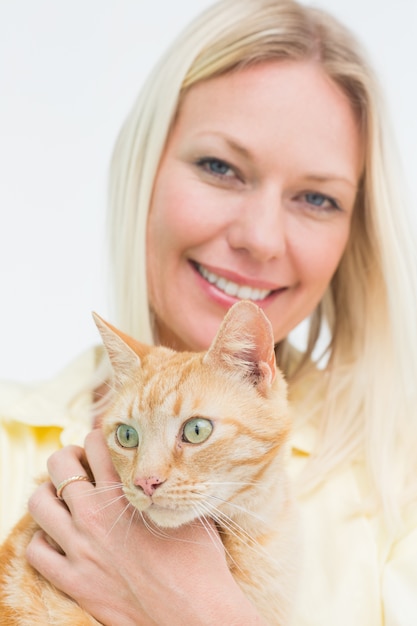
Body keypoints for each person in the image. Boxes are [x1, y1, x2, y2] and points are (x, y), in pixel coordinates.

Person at [1, 0, 417, 623]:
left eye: (316, 197)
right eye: (220, 167)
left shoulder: (401, 477)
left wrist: (194, 606)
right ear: (144, 165)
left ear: (356, 232)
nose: (260, 239)